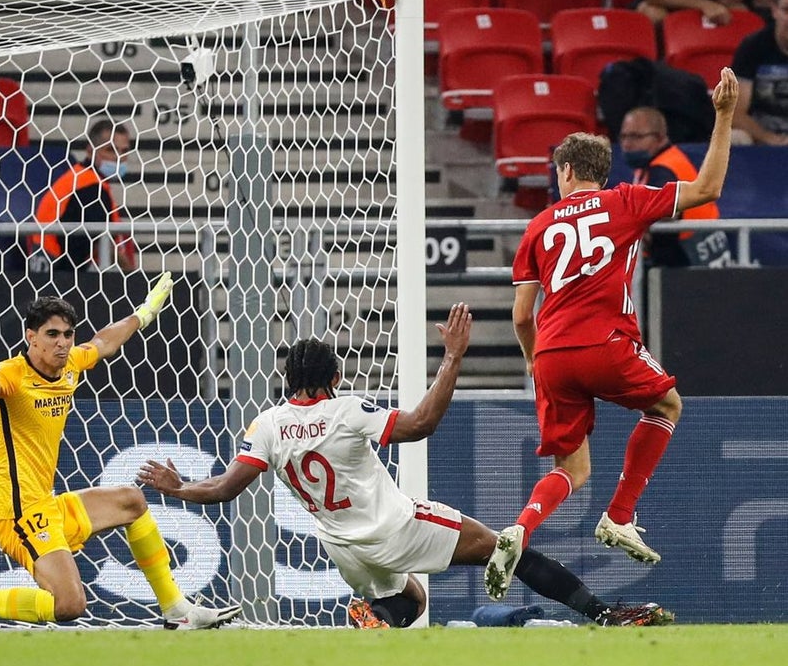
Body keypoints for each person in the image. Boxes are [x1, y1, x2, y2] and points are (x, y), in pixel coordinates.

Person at [138, 306, 673, 629]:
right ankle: (606, 614)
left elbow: (226, 489)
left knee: (411, 601)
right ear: (334, 377)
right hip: (397, 525)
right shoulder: (347, 410)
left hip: (342, 547)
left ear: (288, 379)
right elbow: (420, 424)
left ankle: (373, 619)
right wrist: (453, 357)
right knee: (508, 550)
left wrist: (178, 487)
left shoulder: (268, 424)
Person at [485, 68, 740, 602]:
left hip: (553, 355)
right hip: (605, 343)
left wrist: (533, 359)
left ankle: (520, 528)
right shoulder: (625, 200)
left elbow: (521, 315)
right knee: (666, 405)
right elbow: (709, 188)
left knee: (571, 467)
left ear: (567, 170)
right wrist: (723, 116)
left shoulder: (538, 226)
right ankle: (620, 515)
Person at [0, 272, 242, 631]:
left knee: (131, 501)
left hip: (47, 505)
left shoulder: (71, 364)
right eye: (52, 334)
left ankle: (177, 610)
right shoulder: (12, 376)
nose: (62, 343)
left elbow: (104, 342)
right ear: (31, 337)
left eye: (68, 334)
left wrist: (144, 314)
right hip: (18, 514)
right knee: (69, 605)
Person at [27, 120, 137, 273]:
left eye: (124, 151)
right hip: (61, 273)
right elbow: (103, 245)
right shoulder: (90, 188)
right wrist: (132, 274)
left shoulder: (79, 177)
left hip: (44, 267)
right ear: (91, 151)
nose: (118, 157)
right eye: (111, 150)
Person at [619, 106, 723, 266]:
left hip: (687, 258)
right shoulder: (664, 160)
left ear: (660, 137)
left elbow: (664, 214)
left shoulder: (663, 170)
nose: (627, 144)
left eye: (636, 136)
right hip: (706, 248)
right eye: (623, 136)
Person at [731, 0, 788, 145]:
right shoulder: (753, 46)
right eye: (787, 11)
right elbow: (735, 112)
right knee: (735, 137)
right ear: (774, 11)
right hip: (760, 135)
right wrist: (771, 138)